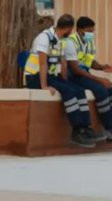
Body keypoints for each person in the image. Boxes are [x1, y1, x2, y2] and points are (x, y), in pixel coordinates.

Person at [24, 14, 96, 148]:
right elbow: (42, 64)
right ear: (69, 28)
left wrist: (66, 82)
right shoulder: (44, 38)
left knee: (78, 90)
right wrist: (44, 86)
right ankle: (77, 130)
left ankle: (85, 127)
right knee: (69, 92)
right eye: (71, 30)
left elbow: (63, 63)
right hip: (34, 77)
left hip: (51, 76)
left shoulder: (61, 40)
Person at [62, 16, 112, 144]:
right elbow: (75, 69)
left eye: (92, 30)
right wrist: (99, 79)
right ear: (79, 29)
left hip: (85, 74)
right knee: (100, 90)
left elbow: (89, 61)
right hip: (74, 76)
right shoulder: (70, 42)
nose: (91, 33)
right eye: (88, 31)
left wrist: (103, 67)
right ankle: (108, 126)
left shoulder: (89, 41)